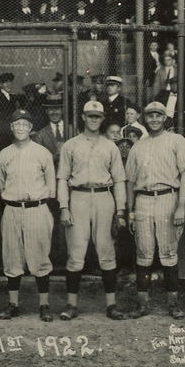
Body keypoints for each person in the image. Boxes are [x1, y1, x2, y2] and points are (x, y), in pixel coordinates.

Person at [58, 101, 128, 321]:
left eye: (97, 116)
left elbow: (119, 180)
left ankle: (111, 305)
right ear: (83, 117)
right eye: (90, 116)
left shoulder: (110, 146)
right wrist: (64, 206)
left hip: (103, 197)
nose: (93, 120)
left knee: (107, 252)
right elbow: (62, 178)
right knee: (76, 254)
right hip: (78, 197)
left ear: (102, 118)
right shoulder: (70, 145)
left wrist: (120, 210)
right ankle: (71, 305)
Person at [125, 101, 185, 319]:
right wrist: (130, 211)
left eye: (158, 116)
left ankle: (173, 304)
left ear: (165, 118)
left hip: (168, 198)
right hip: (143, 200)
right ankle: (142, 304)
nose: (154, 119)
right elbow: (130, 180)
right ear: (145, 118)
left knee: (168, 253)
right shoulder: (138, 145)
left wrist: (181, 206)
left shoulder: (176, 141)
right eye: (150, 116)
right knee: (143, 253)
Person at [0, 109, 57, 321]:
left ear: (31, 128)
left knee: (40, 258)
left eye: (25, 124)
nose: (21, 128)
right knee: (12, 257)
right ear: (11, 127)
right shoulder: (4, 154)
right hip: (12, 208)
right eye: (17, 124)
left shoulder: (42, 153)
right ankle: (13, 304)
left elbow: (51, 186)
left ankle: (44, 305)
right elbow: (2, 184)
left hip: (37, 208)